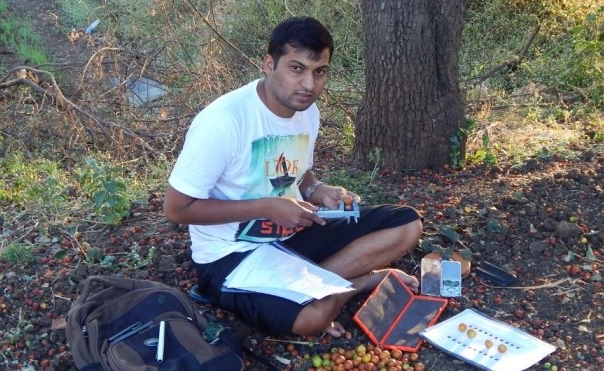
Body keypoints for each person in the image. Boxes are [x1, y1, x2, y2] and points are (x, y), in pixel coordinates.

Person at [164, 16, 422, 337]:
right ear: (269, 64)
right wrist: (266, 207)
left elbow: (299, 175)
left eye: (320, 72)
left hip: (291, 237)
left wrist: (319, 189)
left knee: (407, 224)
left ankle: (311, 286)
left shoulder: (307, 112)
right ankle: (356, 282)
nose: (309, 86)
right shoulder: (224, 122)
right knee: (309, 320)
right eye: (296, 68)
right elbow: (176, 209)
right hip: (232, 256)